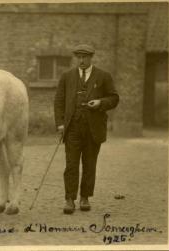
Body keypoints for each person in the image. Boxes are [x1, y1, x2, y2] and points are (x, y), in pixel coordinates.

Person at [54, 44, 119, 214]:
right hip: (72, 128)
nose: (81, 61)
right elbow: (59, 101)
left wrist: (100, 103)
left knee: (90, 165)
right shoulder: (67, 77)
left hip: (93, 129)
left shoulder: (103, 76)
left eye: (85, 57)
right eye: (79, 57)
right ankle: (69, 199)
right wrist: (60, 123)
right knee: (71, 165)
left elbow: (114, 98)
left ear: (91, 57)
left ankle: (85, 197)